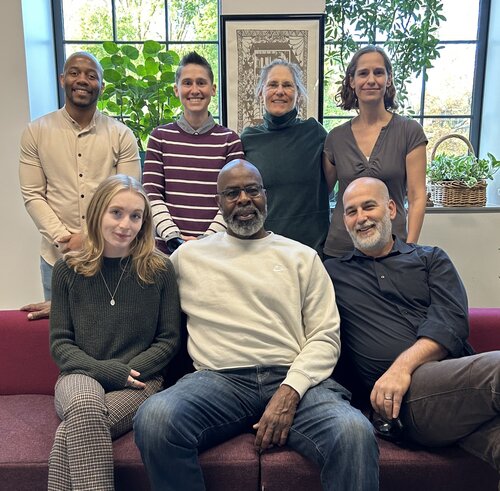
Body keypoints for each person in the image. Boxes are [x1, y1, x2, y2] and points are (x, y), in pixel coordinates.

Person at [134, 159, 379, 491]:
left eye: (252, 190)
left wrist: (290, 390)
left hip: (295, 378)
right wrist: (71, 300)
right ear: (219, 203)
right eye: (232, 193)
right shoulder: (188, 258)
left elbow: (325, 336)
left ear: (265, 196)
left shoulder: (302, 257)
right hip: (218, 381)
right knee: (155, 419)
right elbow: (138, 293)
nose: (244, 199)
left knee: (354, 432)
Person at [324, 177, 500, 473]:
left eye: (369, 206)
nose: (361, 218)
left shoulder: (431, 259)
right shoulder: (332, 273)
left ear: (391, 208)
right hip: (402, 403)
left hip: (458, 389)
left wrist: (401, 367)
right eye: (351, 211)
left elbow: (452, 320)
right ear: (344, 220)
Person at [48, 174, 181, 490]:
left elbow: (168, 340)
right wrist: (104, 371)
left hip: (140, 381)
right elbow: (60, 342)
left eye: (136, 216)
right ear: (97, 214)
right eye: (116, 212)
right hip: (79, 374)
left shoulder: (160, 269)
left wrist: (126, 373)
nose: (126, 224)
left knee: (72, 430)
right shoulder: (67, 270)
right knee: (84, 406)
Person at [19, 51, 140, 318]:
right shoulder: (36, 132)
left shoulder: (121, 135)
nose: (82, 80)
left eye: (91, 75)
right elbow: (33, 194)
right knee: (63, 336)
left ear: (102, 86)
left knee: (109, 328)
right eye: (74, 73)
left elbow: (129, 196)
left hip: (110, 257)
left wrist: (89, 238)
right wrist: (65, 241)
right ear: (63, 79)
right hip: (56, 258)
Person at [323, 45, 427, 258]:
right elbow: (322, 193)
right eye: (363, 73)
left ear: (388, 79)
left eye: (378, 72)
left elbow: (417, 196)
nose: (371, 80)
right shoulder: (335, 138)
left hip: (392, 248)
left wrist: (410, 248)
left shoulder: (409, 132)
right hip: (342, 250)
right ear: (352, 81)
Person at [142, 51, 244, 255]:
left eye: (201, 83)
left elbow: (233, 198)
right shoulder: (159, 137)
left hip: (216, 250)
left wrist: (205, 241)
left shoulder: (230, 140)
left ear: (213, 89)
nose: (194, 90)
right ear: (176, 90)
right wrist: (174, 239)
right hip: (165, 251)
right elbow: (151, 194)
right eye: (187, 83)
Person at [241, 59, 330, 256]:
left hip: (311, 252)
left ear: (297, 94)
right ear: (260, 92)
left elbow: (330, 185)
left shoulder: (315, 133)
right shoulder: (248, 139)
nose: (280, 91)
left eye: (287, 85)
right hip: (263, 251)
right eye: (272, 84)